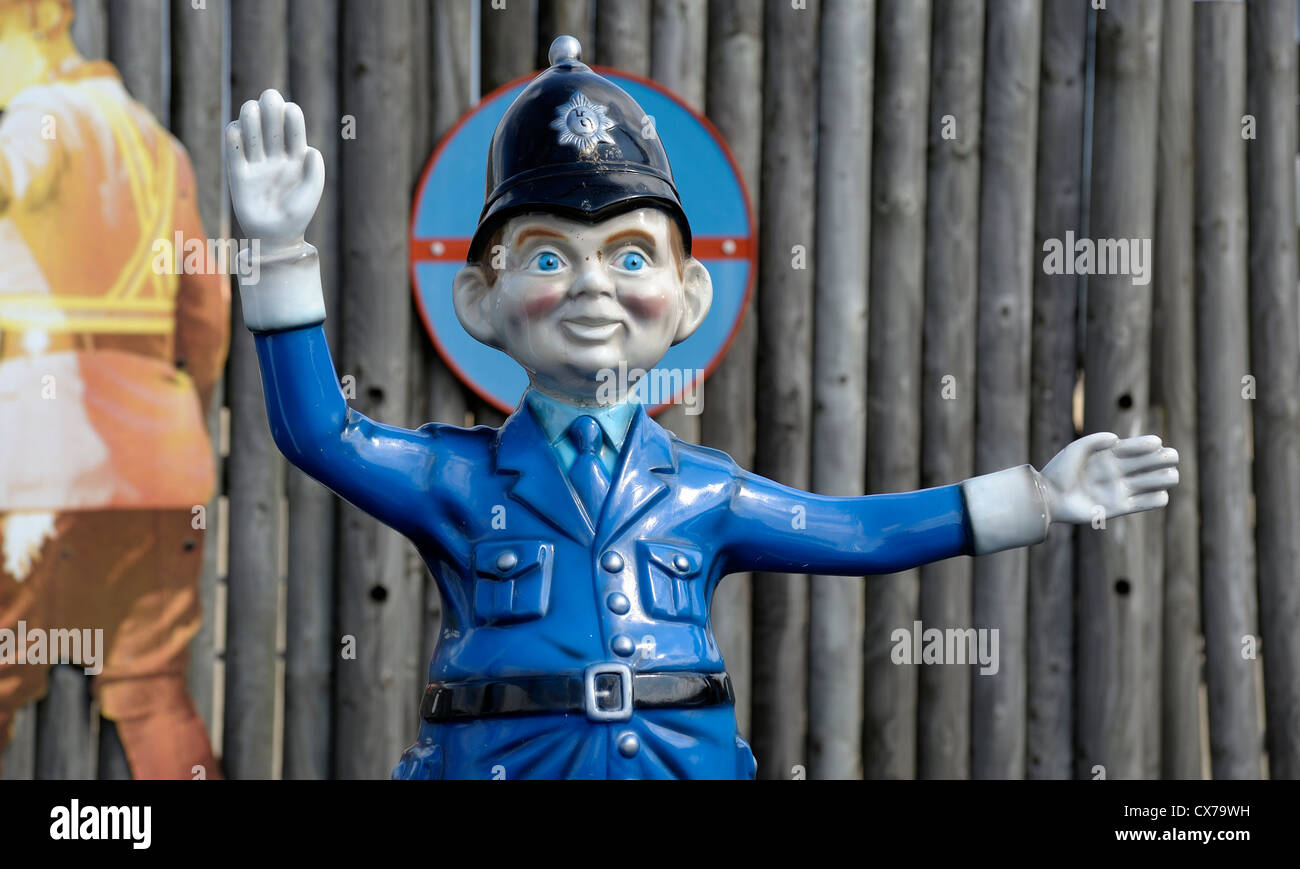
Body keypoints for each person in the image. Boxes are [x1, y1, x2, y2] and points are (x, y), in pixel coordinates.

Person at [225, 36, 1178, 779]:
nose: (593, 287)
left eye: (631, 256)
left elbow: (850, 531)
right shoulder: (458, 482)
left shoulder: (702, 491)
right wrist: (276, 252)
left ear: (687, 298)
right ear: (482, 302)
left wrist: (1037, 499)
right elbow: (323, 432)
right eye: (549, 257)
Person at [0, 0, 227, 778]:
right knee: (154, 694)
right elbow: (206, 320)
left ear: (38, 23)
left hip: (34, 462)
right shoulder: (160, 146)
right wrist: (172, 423)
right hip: (157, 467)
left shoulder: (36, 121)